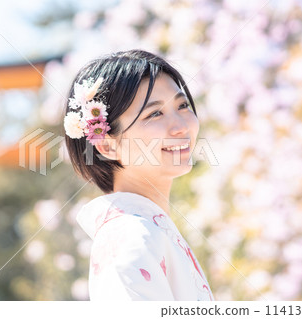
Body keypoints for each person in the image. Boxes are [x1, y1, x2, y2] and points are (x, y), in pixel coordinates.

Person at [63, 49, 214, 301]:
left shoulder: (148, 231)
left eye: (183, 105)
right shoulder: (130, 239)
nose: (181, 126)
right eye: (155, 113)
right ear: (107, 146)